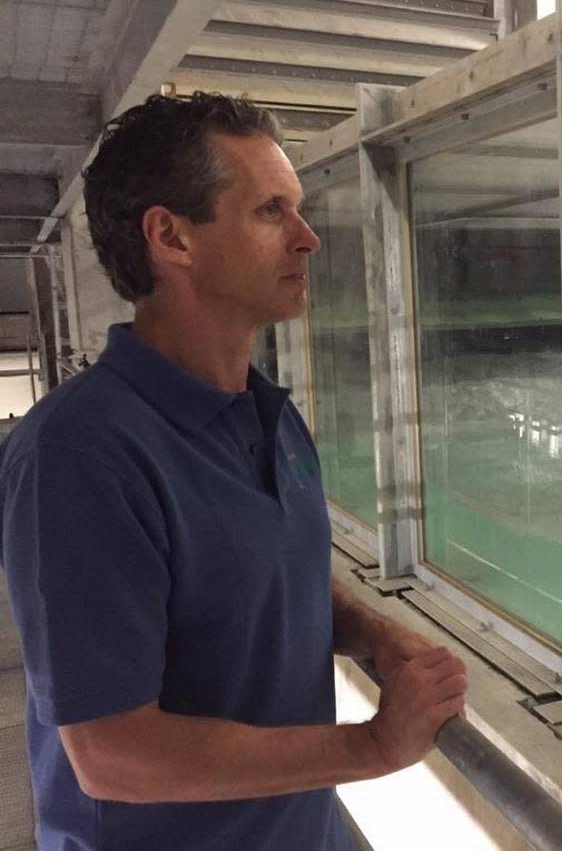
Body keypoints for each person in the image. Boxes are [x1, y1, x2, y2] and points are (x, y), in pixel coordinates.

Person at [0, 92, 467, 850]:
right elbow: (113, 754)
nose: (309, 239)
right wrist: (375, 747)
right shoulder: (78, 456)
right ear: (171, 237)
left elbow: (278, 578)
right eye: (271, 212)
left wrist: (377, 635)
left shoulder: (271, 416)